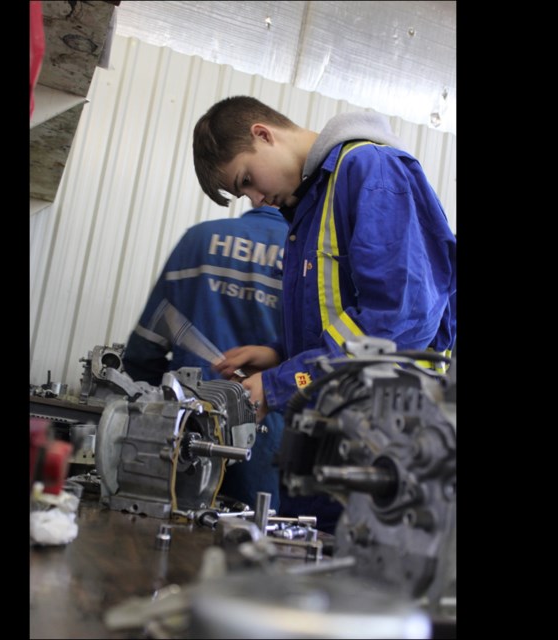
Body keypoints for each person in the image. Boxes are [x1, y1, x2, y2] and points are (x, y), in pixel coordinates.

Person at [192, 96, 457, 530]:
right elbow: (342, 318)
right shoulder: (308, 207)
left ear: (263, 133)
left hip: (380, 453)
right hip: (329, 448)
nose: (256, 198)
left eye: (247, 180)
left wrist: (281, 382)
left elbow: (398, 320)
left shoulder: (370, 170)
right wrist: (279, 353)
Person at [122, 205, 289, 512]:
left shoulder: (198, 240)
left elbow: (143, 351)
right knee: (252, 542)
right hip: (267, 438)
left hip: (183, 433)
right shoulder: (305, 254)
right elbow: (318, 359)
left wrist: (157, 418)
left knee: (163, 534)